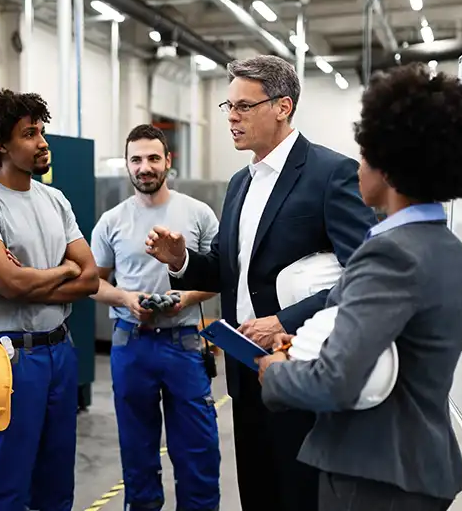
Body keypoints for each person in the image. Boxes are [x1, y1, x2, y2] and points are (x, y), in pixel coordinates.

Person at [145, 55, 378, 511]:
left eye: (244, 107)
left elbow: (364, 277)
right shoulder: (240, 183)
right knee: (258, 489)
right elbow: (232, 273)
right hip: (246, 367)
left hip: (301, 363)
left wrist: (285, 321)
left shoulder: (331, 174)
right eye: (227, 106)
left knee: (300, 492)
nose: (231, 117)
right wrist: (182, 261)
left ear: (282, 106)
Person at [256, 63, 462, 511]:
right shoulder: (446, 246)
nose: (357, 167)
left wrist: (275, 373)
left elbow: (337, 382)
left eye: (363, 155)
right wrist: (304, 343)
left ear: (390, 166)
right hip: (415, 469)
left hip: (374, 476)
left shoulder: (391, 255)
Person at [0, 88, 99, 511]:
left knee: (57, 480)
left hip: (59, 350)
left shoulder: (54, 200)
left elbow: (89, 278)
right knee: (5, 481)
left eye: (42, 131)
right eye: (30, 134)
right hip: (9, 359)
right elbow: (9, 285)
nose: (42, 142)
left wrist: (34, 277)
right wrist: (61, 270)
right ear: (2, 144)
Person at [90, 124, 221, 511]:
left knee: (198, 452)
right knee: (138, 454)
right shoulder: (111, 221)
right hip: (132, 345)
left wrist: (185, 297)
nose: (144, 167)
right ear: (127, 166)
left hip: (184, 345)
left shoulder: (197, 214)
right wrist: (126, 298)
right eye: (136, 159)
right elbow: (93, 284)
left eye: (152, 158)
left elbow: (219, 275)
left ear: (168, 161)